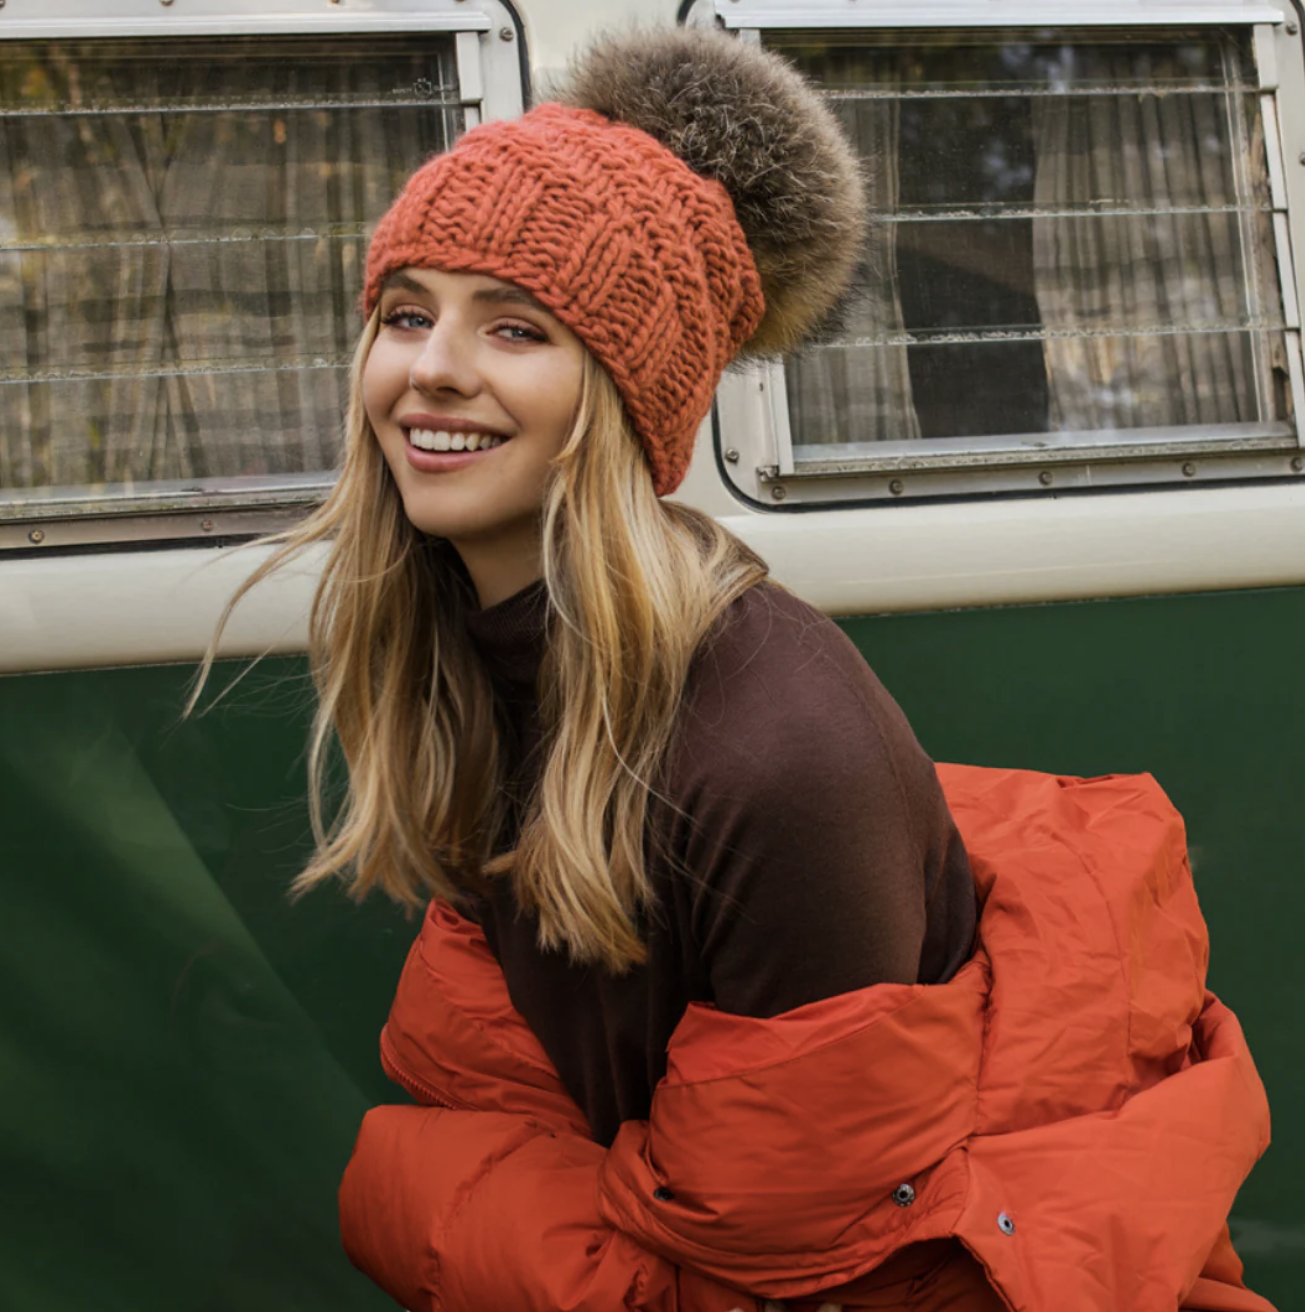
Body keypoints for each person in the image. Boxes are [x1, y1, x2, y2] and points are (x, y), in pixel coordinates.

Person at [211, 27, 1274, 1312]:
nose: (434, 366)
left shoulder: (770, 749)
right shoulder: (480, 661)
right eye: (406, 313)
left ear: (627, 398)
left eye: (517, 328)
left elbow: (797, 1256)